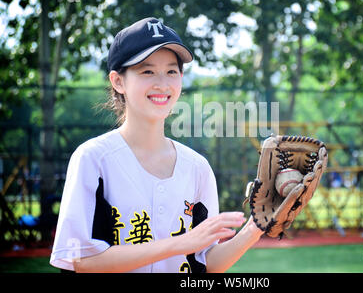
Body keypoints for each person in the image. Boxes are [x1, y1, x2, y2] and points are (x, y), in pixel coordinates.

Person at [49, 17, 264, 273]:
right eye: (147, 71)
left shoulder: (197, 167)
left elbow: (206, 264)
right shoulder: (93, 159)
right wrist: (179, 243)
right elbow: (80, 261)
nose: (162, 83)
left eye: (172, 71)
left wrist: (256, 228)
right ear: (118, 81)